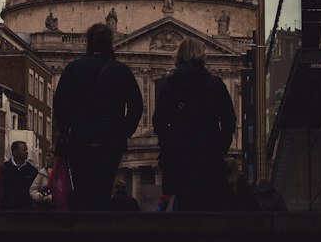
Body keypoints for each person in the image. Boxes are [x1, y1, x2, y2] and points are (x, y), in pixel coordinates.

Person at [52, 22, 144, 211]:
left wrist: (66, 131)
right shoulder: (121, 71)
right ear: (110, 43)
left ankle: (83, 233)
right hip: (110, 140)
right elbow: (136, 106)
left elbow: (60, 105)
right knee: (103, 188)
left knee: (82, 188)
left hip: (80, 139)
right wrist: (123, 132)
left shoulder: (73, 69)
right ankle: (101, 233)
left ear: (88, 43)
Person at [152, 38, 235, 212]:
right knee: (208, 210)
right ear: (202, 56)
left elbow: (158, 121)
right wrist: (220, 147)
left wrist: (168, 144)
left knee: (182, 210)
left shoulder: (169, 85)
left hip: (178, 157)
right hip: (208, 156)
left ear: (179, 56)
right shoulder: (215, 84)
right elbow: (229, 121)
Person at [0, 140, 38, 210]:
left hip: (26, 210)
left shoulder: (32, 171)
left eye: (26, 150)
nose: (26, 152)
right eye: (23, 150)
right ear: (15, 152)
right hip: (8, 209)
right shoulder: (4, 169)